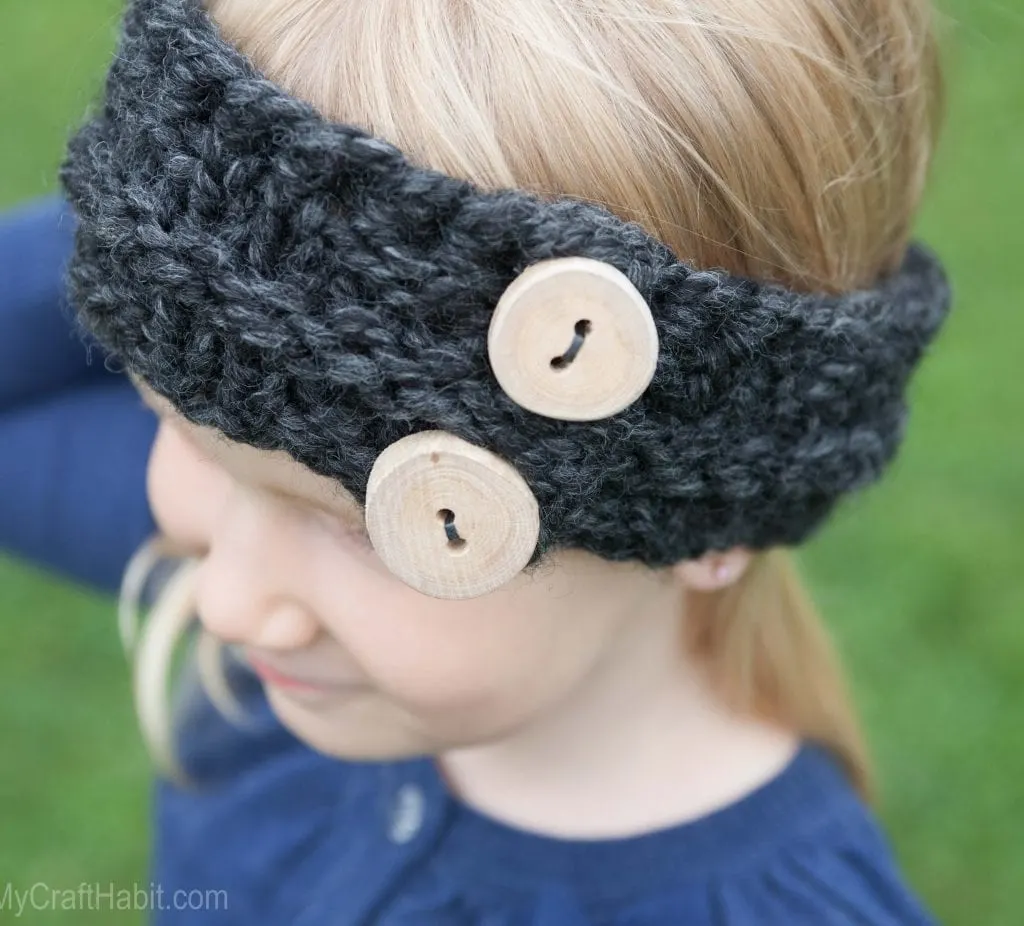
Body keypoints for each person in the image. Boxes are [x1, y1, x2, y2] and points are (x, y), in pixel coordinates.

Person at [1, 0, 951, 922]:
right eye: (168, 417)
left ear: (727, 505)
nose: (225, 601)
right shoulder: (291, 631)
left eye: (372, 524)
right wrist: (174, 196)